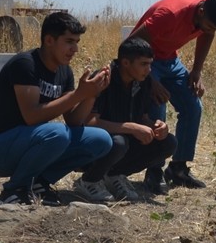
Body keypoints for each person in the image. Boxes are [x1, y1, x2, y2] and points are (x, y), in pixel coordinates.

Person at [0, 11, 112, 206]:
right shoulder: (25, 64)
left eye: (77, 42)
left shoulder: (64, 71)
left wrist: (91, 94)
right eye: (69, 41)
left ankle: (39, 184)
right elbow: (32, 116)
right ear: (49, 40)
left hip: (28, 143)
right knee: (58, 134)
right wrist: (78, 94)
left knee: (100, 139)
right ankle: (14, 190)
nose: (75, 49)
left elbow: (74, 121)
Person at [126, 0, 216, 190]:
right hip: (146, 61)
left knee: (193, 106)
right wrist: (150, 80)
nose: (211, 31)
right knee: (158, 103)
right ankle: (154, 170)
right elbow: (129, 46)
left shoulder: (208, 13)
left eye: (215, 29)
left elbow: (207, 34)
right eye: (210, 26)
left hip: (170, 60)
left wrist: (197, 71)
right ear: (201, 11)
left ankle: (178, 169)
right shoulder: (170, 14)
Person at [75, 37, 177, 202]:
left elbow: (142, 117)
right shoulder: (103, 79)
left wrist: (156, 127)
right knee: (119, 142)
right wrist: (131, 127)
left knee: (168, 143)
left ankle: (114, 175)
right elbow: (89, 122)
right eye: (143, 64)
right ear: (126, 63)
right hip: (96, 146)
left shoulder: (143, 81)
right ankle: (89, 180)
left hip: (124, 144)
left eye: (150, 64)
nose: (149, 69)